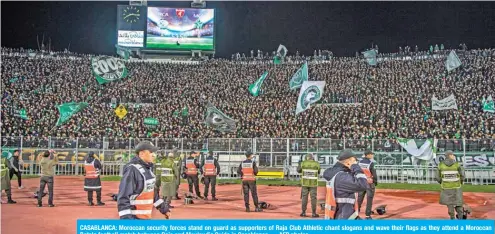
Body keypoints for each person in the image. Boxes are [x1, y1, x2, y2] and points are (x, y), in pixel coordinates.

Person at [117, 141, 170, 219]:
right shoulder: (132, 170)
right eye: (151, 152)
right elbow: (123, 197)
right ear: (141, 154)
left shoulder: (147, 168)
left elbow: (151, 192)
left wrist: (164, 209)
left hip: (145, 218)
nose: (154, 155)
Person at [323, 149, 368, 219]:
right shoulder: (342, 176)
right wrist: (355, 167)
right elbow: (363, 185)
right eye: (354, 160)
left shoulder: (334, 173)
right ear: (348, 161)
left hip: (340, 215)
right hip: (344, 216)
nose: (356, 162)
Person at [436, 151, 465, 219]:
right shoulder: (457, 164)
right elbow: (463, 175)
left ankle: (452, 218)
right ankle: (460, 219)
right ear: (450, 155)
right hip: (456, 187)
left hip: (446, 187)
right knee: (458, 203)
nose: (453, 156)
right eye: (452, 155)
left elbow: (437, 177)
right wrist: (460, 181)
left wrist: (442, 182)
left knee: (449, 204)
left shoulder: (440, 165)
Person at [297, 153, 320, 218]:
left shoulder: (303, 163)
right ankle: (314, 213)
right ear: (312, 157)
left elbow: (298, 170)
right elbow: (319, 172)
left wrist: (299, 164)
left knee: (304, 198)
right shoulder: (316, 163)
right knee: (313, 198)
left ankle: (303, 212)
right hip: (313, 183)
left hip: (305, 183)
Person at [357, 150, 378, 219]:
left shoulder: (359, 162)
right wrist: (375, 181)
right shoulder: (371, 163)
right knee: (369, 199)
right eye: (371, 154)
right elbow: (374, 174)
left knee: (359, 199)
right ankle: (367, 216)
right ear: (367, 155)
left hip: (361, 182)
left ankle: (355, 214)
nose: (372, 155)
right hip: (369, 183)